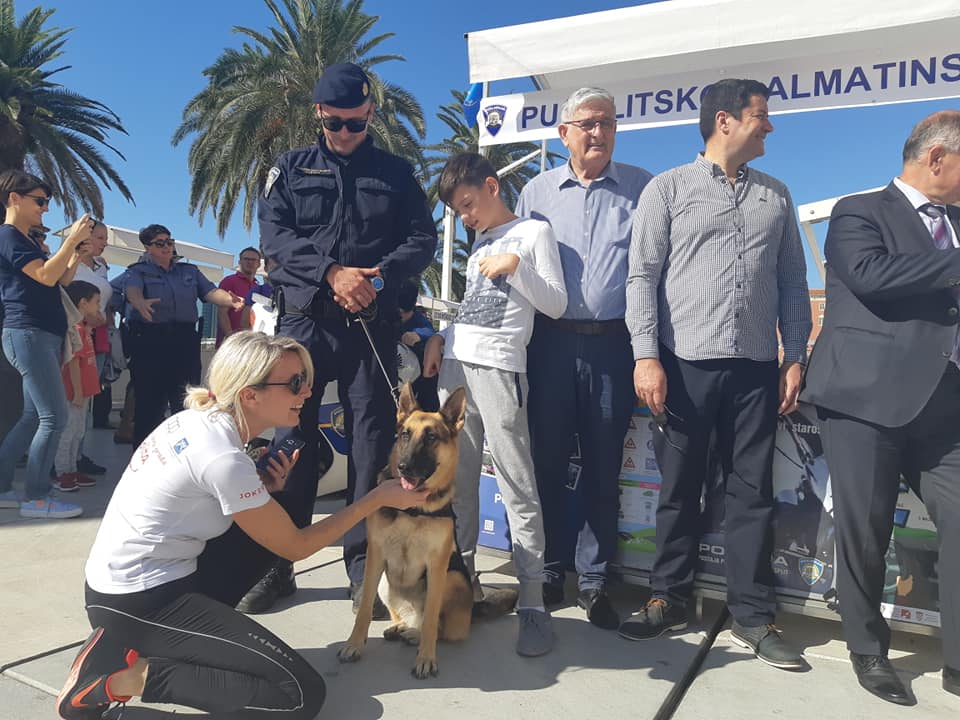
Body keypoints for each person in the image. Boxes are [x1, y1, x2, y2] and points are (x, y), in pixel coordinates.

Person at [55, 331, 429, 720]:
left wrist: (263, 490)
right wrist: (375, 499)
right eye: (296, 383)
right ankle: (121, 679)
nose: (307, 393)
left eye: (307, 381)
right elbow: (296, 547)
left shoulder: (197, 420)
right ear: (250, 395)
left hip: (130, 585)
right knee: (301, 696)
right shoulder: (223, 458)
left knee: (274, 521)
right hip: (142, 601)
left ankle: (117, 645)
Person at [621, 79, 811, 670]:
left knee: (751, 494)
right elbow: (642, 276)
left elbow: (791, 283)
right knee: (678, 489)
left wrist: (795, 353)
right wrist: (646, 355)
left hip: (755, 369)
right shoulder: (667, 190)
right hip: (682, 366)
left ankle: (752, 616)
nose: (770, 127)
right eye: (762, 116)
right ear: (724, 120)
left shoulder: (776, 197)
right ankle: (667, 598)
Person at [253, 62, 436, 614]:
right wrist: (332, 273)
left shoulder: (398, 173)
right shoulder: (288, 169)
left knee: (369, 444)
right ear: (319, 114)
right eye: (335, 123)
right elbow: (275, 238)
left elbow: (422, 239)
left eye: (355, 123)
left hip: (369, 325)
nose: (345, 133)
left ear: (371, 114)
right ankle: (276, 564)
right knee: (291, 441)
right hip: (304, 322)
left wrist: (374, 277)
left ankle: (362, 570)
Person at [801, 110, 960, 705]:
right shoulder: (860, 211)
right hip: (865, 400)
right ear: (937, 159)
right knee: (864, 533)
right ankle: (868, 650)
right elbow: (870, 276)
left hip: (944, 408)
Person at [515, 87, 652, 629]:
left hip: (612, 345)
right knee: (547, 461)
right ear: (563, 132)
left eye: (608, 123)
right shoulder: (535, 193)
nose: (599, 133)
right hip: (548, 344)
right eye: (588, 123)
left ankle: (595, 581)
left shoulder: (643, 189)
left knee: (602, 464)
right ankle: (549, 570)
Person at [422, 152, 567, 656]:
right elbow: (475, 307)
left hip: (501, 369)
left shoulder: (533, 234)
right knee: (456, 487)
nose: (465, 217)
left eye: (468, 204)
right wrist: (442, 336)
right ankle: (462, 590)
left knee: (516, 484)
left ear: (491, 186)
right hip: (456, 366)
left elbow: (555, 302)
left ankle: (532, 604)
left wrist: (517, 267)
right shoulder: (479, 241)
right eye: (457, 211)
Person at [0, 170, 94, 519]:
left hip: (37, 335)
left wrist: (75, 255)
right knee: (54, 417)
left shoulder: (22, 239)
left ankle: (4, 488)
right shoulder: (8, 236)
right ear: (14, 199)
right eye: (39, 201)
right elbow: (43, 275)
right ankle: (37, 498)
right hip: (29, 333)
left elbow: (59, 279)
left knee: (30, 417)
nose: (45, 208)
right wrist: (70, 241)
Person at [120, 224, 244, 447]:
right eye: (160, 243)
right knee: (149, 404)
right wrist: (138, 303)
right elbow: (132, 291)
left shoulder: (190, 271)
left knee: (187, 400)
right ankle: (145, 455)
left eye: (169, 241)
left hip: (184, 341)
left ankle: (186, 454)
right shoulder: (137, 272)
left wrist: (230, 300)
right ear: (148, 248)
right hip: (151, 341)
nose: (167, 247)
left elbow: (210, 292)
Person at [53, 280, 103, 492]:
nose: (99, 308)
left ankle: (72, 468)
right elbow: (74, 361)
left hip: (85, 390)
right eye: (96, 302)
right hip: (75, 391)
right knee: (68, 432)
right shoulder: (75, 329)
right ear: (83, 303)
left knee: (78, 432)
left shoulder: (84, 327)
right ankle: (61, 472)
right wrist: (78, 392)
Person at [72, 219, 112, 470]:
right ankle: (62, 461)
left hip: (97, 337)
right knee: (73, 399)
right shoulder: (68, 263)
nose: (104, 243)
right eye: (99, 237)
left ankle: (77, 455)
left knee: (87, 399)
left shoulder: (101, 267)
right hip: (75, 335)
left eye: (105, 238)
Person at [398, 279, 439, 411]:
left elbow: (431, 335)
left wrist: (419, 338)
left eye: (401, 314)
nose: (399, 318)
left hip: (416, 386)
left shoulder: (420, 323)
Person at [217, 246, 261, 345]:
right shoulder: (229, 281)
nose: (250, 262)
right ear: (239, 262)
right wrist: (229, 335)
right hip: (231, 343)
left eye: (253, 260)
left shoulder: (258, 287)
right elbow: (222, 312)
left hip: (251, 343)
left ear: (258, 264)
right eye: (246, 259)